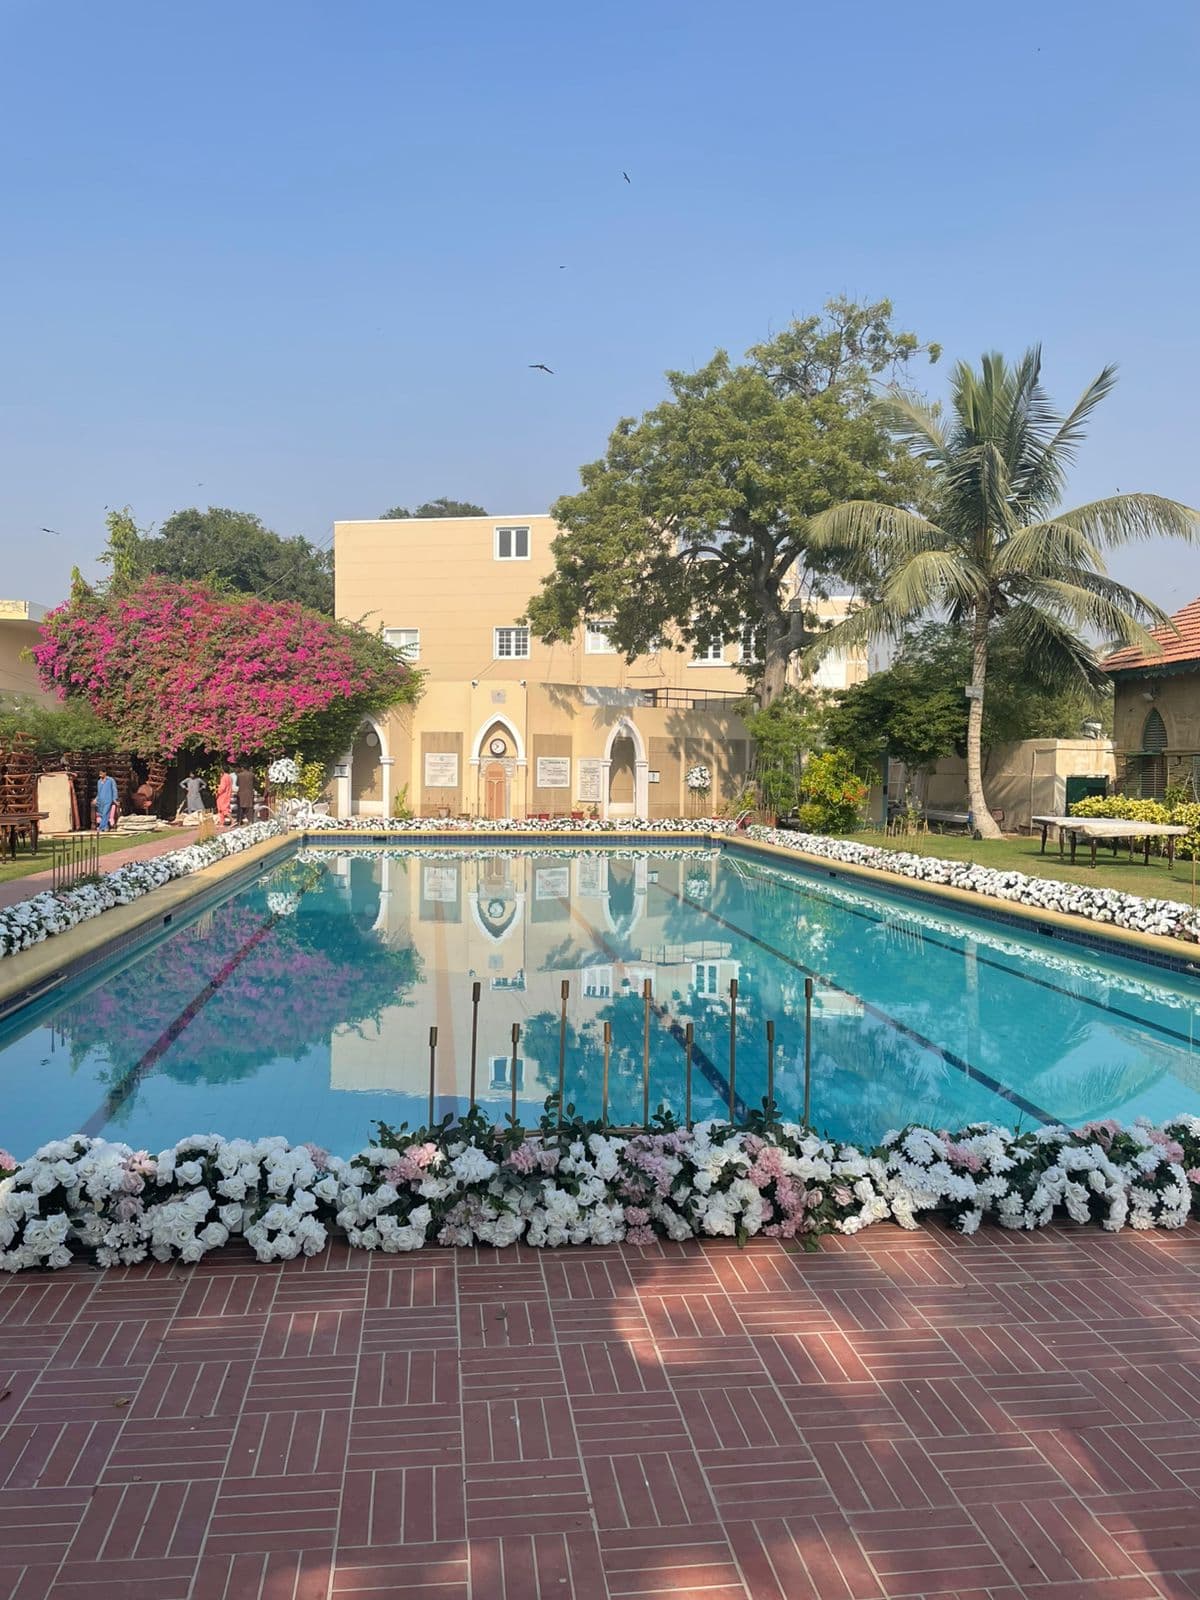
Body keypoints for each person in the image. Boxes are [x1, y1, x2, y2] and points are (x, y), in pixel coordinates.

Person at [95, 768, 118, 832]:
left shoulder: (110, 780)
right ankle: (106, 827)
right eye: (99, 773)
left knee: (105, 813)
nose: (100, 774)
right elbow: (98, 792)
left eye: (101, 773)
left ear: (105, 773)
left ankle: (101, 827)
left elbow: (114, 789)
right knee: (102, 814)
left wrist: (115, 798)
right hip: (100, 801)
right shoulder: (99, 782)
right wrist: (96, 799)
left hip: (108, 799)